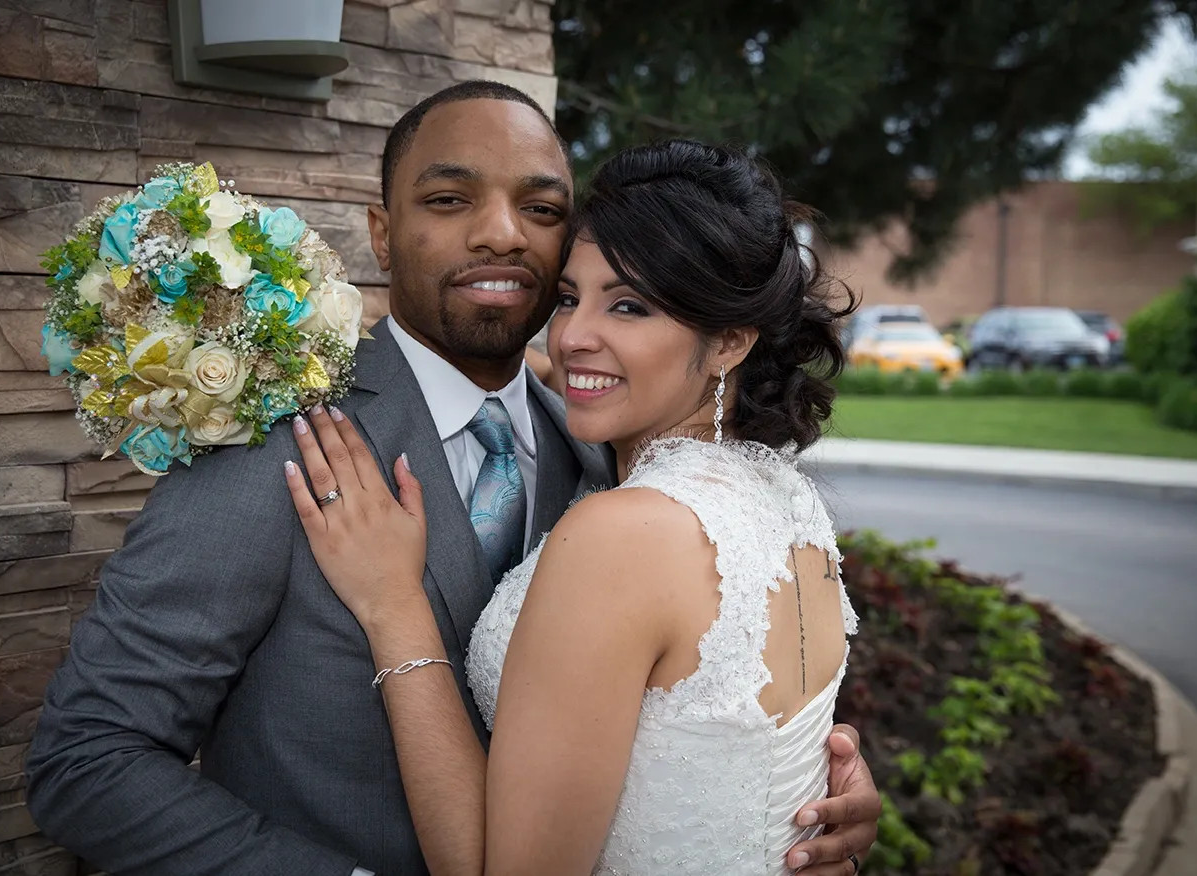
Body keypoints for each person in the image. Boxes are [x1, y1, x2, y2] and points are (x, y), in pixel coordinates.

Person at [26, 83, 877, 875]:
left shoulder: (604, 453)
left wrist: (788, 788)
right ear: (383, 231)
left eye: (541, 209)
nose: (502, 233)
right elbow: (87, 759)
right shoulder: (275, 444)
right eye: (448, 199)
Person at [284, 136, 872, 875]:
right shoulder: (782, 495)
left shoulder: (622, 534)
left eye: (627, 305)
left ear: (728, 340)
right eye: (567, 298)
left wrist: (393, 605)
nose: (571, 338)